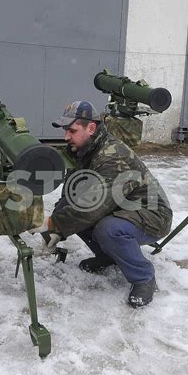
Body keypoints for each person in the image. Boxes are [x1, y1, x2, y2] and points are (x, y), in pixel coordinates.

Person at [30, 101, 172, 307]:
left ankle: (143, 277)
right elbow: (72, 193)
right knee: (76, 215)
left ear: (91, 128)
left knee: (108, 229)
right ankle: (109, 256)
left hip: (152, 214)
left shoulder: (113, 157)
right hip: (120, 208)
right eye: (65, 131)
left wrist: (54, 225)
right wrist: (56, 228)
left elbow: (92, 207)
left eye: (72, 130)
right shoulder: (84, 149)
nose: (66, 137)